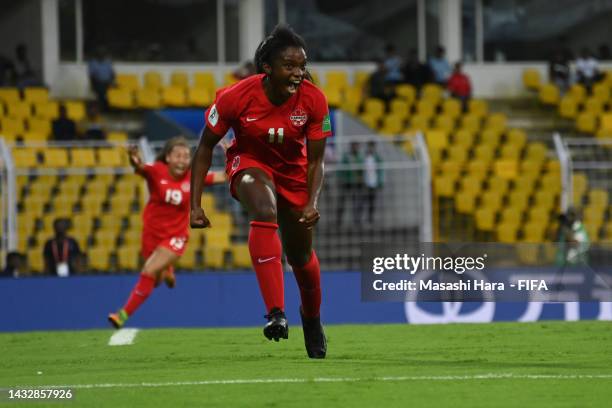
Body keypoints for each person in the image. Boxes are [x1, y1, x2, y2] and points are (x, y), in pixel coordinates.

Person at [190, 24, 330, 358]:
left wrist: (311, 201)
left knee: (300, 257)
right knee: (264, 209)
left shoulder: (314, 99)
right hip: (249, 163)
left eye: (302, 65)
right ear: (267, 68)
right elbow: (205, 148)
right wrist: (194, 205)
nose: (298, 73)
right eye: (289, 66)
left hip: (295, 174)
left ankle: (311, 319)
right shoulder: (234, 96)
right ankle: (275, 313)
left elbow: (316, 161)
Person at [108, 137, 225, 329]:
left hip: (176, 237)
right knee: (154, 281)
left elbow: (224, 176)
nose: (182, 160)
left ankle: (122, 315)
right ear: (168, 157)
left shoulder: (193, 176)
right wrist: (133, 157)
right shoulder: (156, 171)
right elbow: (139, 167)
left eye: (186, 156)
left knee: (148, 271)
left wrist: (231, 154)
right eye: (178, 156)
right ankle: (167, 270)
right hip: (152, 235)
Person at [336, 142, 363, 226]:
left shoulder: (360, 157)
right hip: (346, 182)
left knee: (356, 203)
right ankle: (338, 221)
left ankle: (357, 221)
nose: (355, 147)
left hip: (356, 183)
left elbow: (362, 170)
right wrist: (340, 179)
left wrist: (361, 179)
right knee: (342, 203)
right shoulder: (346, 156)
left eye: (356, 146)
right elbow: (341, 169)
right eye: (354, 146)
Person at [358, 141, 384, 225]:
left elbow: (381, 170)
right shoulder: (364, 157)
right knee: (362, 202)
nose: (371, 148)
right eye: (370, 146)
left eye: (372, 146)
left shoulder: (377, 158)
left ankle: (370, 220)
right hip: (365, 183)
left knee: (372, 203)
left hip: (373, 183)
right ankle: (359, 220)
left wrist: (380, 182)